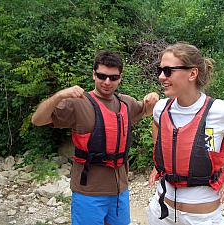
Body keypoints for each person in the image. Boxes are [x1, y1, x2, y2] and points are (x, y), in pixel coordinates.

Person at [31, 50, 159, 225]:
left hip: (119, 191)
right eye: (102, 76)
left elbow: (146, 110)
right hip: (88, 193)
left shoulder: (126, 103)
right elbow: (37, 120)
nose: (107, 82)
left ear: (120, 78)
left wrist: (152, 99)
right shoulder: (78, 103)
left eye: (113, 77)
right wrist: (59, 95)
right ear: (94, 74)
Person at [147, 42, 224, 225]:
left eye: (168, 71)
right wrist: (158, 160)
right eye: (160, 70)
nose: (162, 77)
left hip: (201, 218)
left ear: (192, 74)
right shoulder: (161, 108)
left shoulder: (219, 111)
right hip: (162, 213)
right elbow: (157, 125)